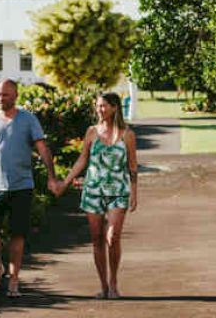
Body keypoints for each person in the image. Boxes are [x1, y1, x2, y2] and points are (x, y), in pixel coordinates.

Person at [0, 79, 60, 298]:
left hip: (22, 186)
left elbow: (42, 149)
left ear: (15, 95)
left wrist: (51, 177)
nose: (1, 99)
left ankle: (14, 280)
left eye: (6, 95)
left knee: (17, 234)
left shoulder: (28, 120)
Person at [58, 92, 138, 299]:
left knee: (113, 237)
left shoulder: (127, 134)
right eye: (98, 106)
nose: (99, 110)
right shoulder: (92, 132)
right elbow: (82, 160)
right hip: (93, 191)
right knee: (97, 239)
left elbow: (132, 166)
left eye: (103, 106)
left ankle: (113, 283)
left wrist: (134, 194)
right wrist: (65, 182)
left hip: (118, 192)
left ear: (114, 108)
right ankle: (103, 285)